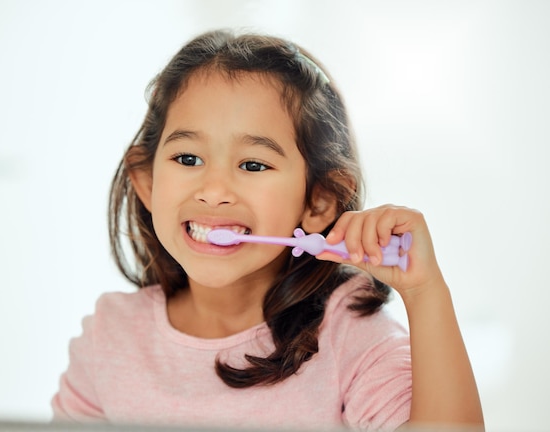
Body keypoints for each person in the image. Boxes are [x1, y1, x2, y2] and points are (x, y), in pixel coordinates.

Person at [52, 30, 484, 431]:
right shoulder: (109, 336)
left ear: (319, 201)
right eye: (187, 159)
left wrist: (425, 293)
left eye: (253, 165)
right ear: (146, 182)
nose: (214, 191)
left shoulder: (349, 332)